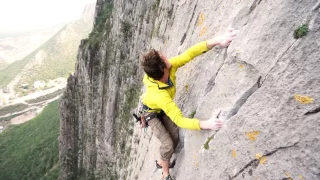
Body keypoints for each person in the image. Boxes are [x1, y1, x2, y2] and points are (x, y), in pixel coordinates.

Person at [140, 29, 238, 180]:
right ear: (161, 72)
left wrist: (218, 40)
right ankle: (165, 174)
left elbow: (189, 54)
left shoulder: (166, 69)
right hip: (151, 113)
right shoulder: (159, 94)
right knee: (168, 144)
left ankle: (161, 161)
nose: (169, 60)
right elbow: (179, 119)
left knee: (175, 138)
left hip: (160, 107)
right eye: (166, 61)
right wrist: (206, 124)